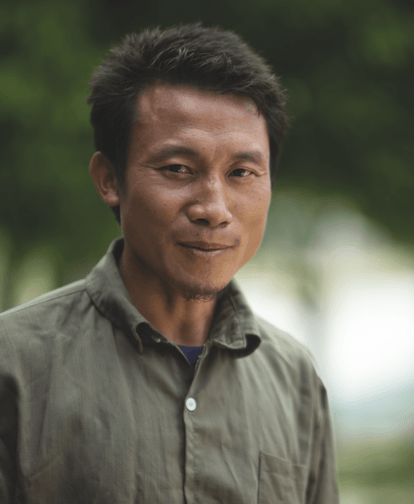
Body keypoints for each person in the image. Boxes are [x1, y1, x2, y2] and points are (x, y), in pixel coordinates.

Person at [0, 23, 339, 503]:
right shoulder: (13, 366)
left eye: (242, 172)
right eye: (178, 169)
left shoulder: (295, 379)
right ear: (109, 179)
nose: (214, 208)